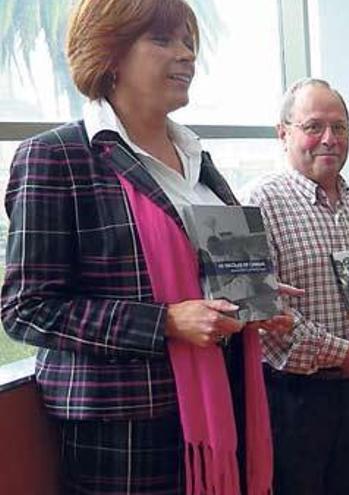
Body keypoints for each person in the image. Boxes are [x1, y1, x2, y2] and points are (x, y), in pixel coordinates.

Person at [0, 1, 293, 492]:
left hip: (225, 395)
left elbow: (199, 264)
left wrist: (249, 292)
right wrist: (167, 322)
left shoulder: (198, 155)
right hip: (129, 427)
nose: (185, 56)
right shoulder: (57, 157)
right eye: (163, 41)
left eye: (188, 43)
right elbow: (27, 309)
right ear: (109, 53)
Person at [247, 78, 349, 495]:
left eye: (340, 127)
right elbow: (262, 315)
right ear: (284, 133)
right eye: (314, 126)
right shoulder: (257, 202)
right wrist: (343, 354)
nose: (329, 139)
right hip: (294, 397)